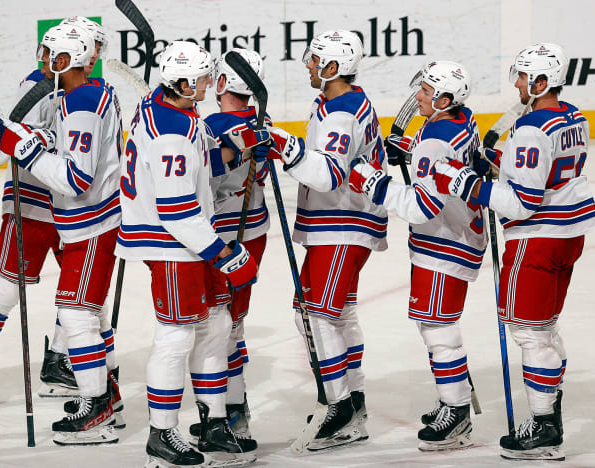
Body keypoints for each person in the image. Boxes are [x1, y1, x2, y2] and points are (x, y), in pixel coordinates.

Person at [430, 43, 595, 461]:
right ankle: (550, 413)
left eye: (523, 78)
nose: (517, 84)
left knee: (530, 332)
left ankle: (543, 428)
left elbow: (523, 200)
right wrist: (497, 161)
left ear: (541, 82)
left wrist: (468, 185)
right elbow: (543, 169)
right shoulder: (573, 115)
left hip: (537, 239)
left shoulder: (531, 129)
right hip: (569, 234)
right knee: (545, 328)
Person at [112, 40, 265, 466]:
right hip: (171, 244)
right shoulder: (173, 135)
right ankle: (162, 435)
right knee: (176, 337)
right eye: (199, 79)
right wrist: (225, 255)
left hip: (186, 239)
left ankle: (214, 424)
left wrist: (239, 149)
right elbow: (177, 213)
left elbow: (203, 168)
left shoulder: (169, 107)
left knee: (215, 325)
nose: (205, 84)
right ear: (180, 82)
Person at [0, 16, 114, 402]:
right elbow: (21, 137)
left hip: (73, 206)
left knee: (82, 298)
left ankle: (59, 359)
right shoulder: (38, 85)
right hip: (33, 201)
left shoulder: (92, 93)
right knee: (6, 291)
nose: (44, 60)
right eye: (44, 52)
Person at [0, 23, 124, 445]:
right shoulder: (87, 94)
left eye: (51, 53)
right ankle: (106, 395)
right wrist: (41, 139)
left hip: (91, 224)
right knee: (88, 314)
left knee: (77, 316)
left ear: (66, 60)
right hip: (92, 224)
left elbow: (76, 178)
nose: (44, 59)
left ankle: (97, 408)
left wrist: (26, 150)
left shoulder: (82, 101)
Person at [348, 60, 484, 450]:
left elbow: (420, 207)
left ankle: (455, 414)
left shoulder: (434, 140)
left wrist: (377, 185)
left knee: (437, 330)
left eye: (425, 92)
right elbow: (448, 165)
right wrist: (410, 149)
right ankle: (451, 401)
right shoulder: (462, 119)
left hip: (444, 241)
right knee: (437, 326)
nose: (418, 97)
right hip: (461, 231)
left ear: (443, 99)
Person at [264, 29, 387, 451]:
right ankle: (353, 402)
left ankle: (340, 408)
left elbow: (329, 173)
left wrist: (284, 146)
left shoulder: (342, 114)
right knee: (335, 314)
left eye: (315, 59)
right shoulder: (338, 101)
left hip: (343, 225)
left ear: (333, 68)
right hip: (343, 223)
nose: (308, 65)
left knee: (314, 316)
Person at [187, 48, 270, 446]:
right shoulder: (263, 122)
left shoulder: (212, 125)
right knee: (234, 324)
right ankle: (232, 410)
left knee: (220, 328)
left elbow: (199, 176)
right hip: (256, 232)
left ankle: (232, 415)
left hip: (222, 241)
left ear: (221, 83)